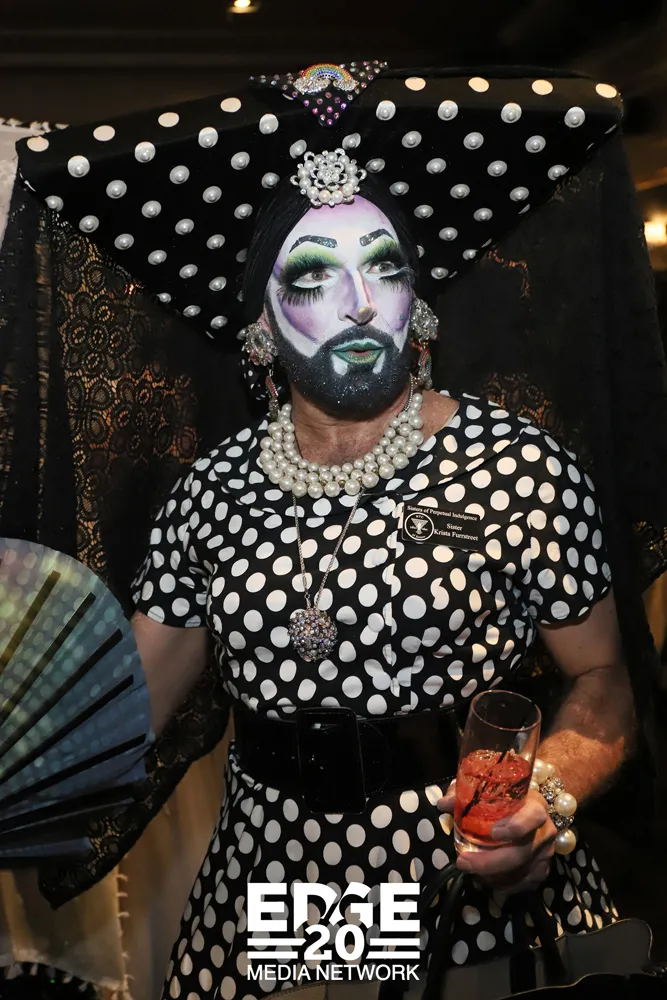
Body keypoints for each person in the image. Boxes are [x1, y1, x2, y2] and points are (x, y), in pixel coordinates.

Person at [12, 62, 665, 998]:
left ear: (416, 303)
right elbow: (125, 715)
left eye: (384, 268)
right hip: (277, 884)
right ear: (261, 325)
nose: (359, 302)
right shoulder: (212, 491)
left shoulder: (516, 466)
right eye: (314, 276)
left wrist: (545, 792)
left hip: (466, 882)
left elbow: (603, 679)